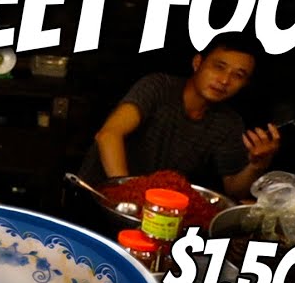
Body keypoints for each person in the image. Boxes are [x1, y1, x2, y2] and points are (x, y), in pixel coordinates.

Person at [78, 31, 281, 200]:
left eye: (238, 75)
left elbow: (234, 190)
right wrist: (129, 194)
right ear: (197, 63)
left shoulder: (228, 122)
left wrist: (256, 166)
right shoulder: (158, 87)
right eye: (219, 67)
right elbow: (108, 135)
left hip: (157, 213)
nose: (225, 80)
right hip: (98, 197)